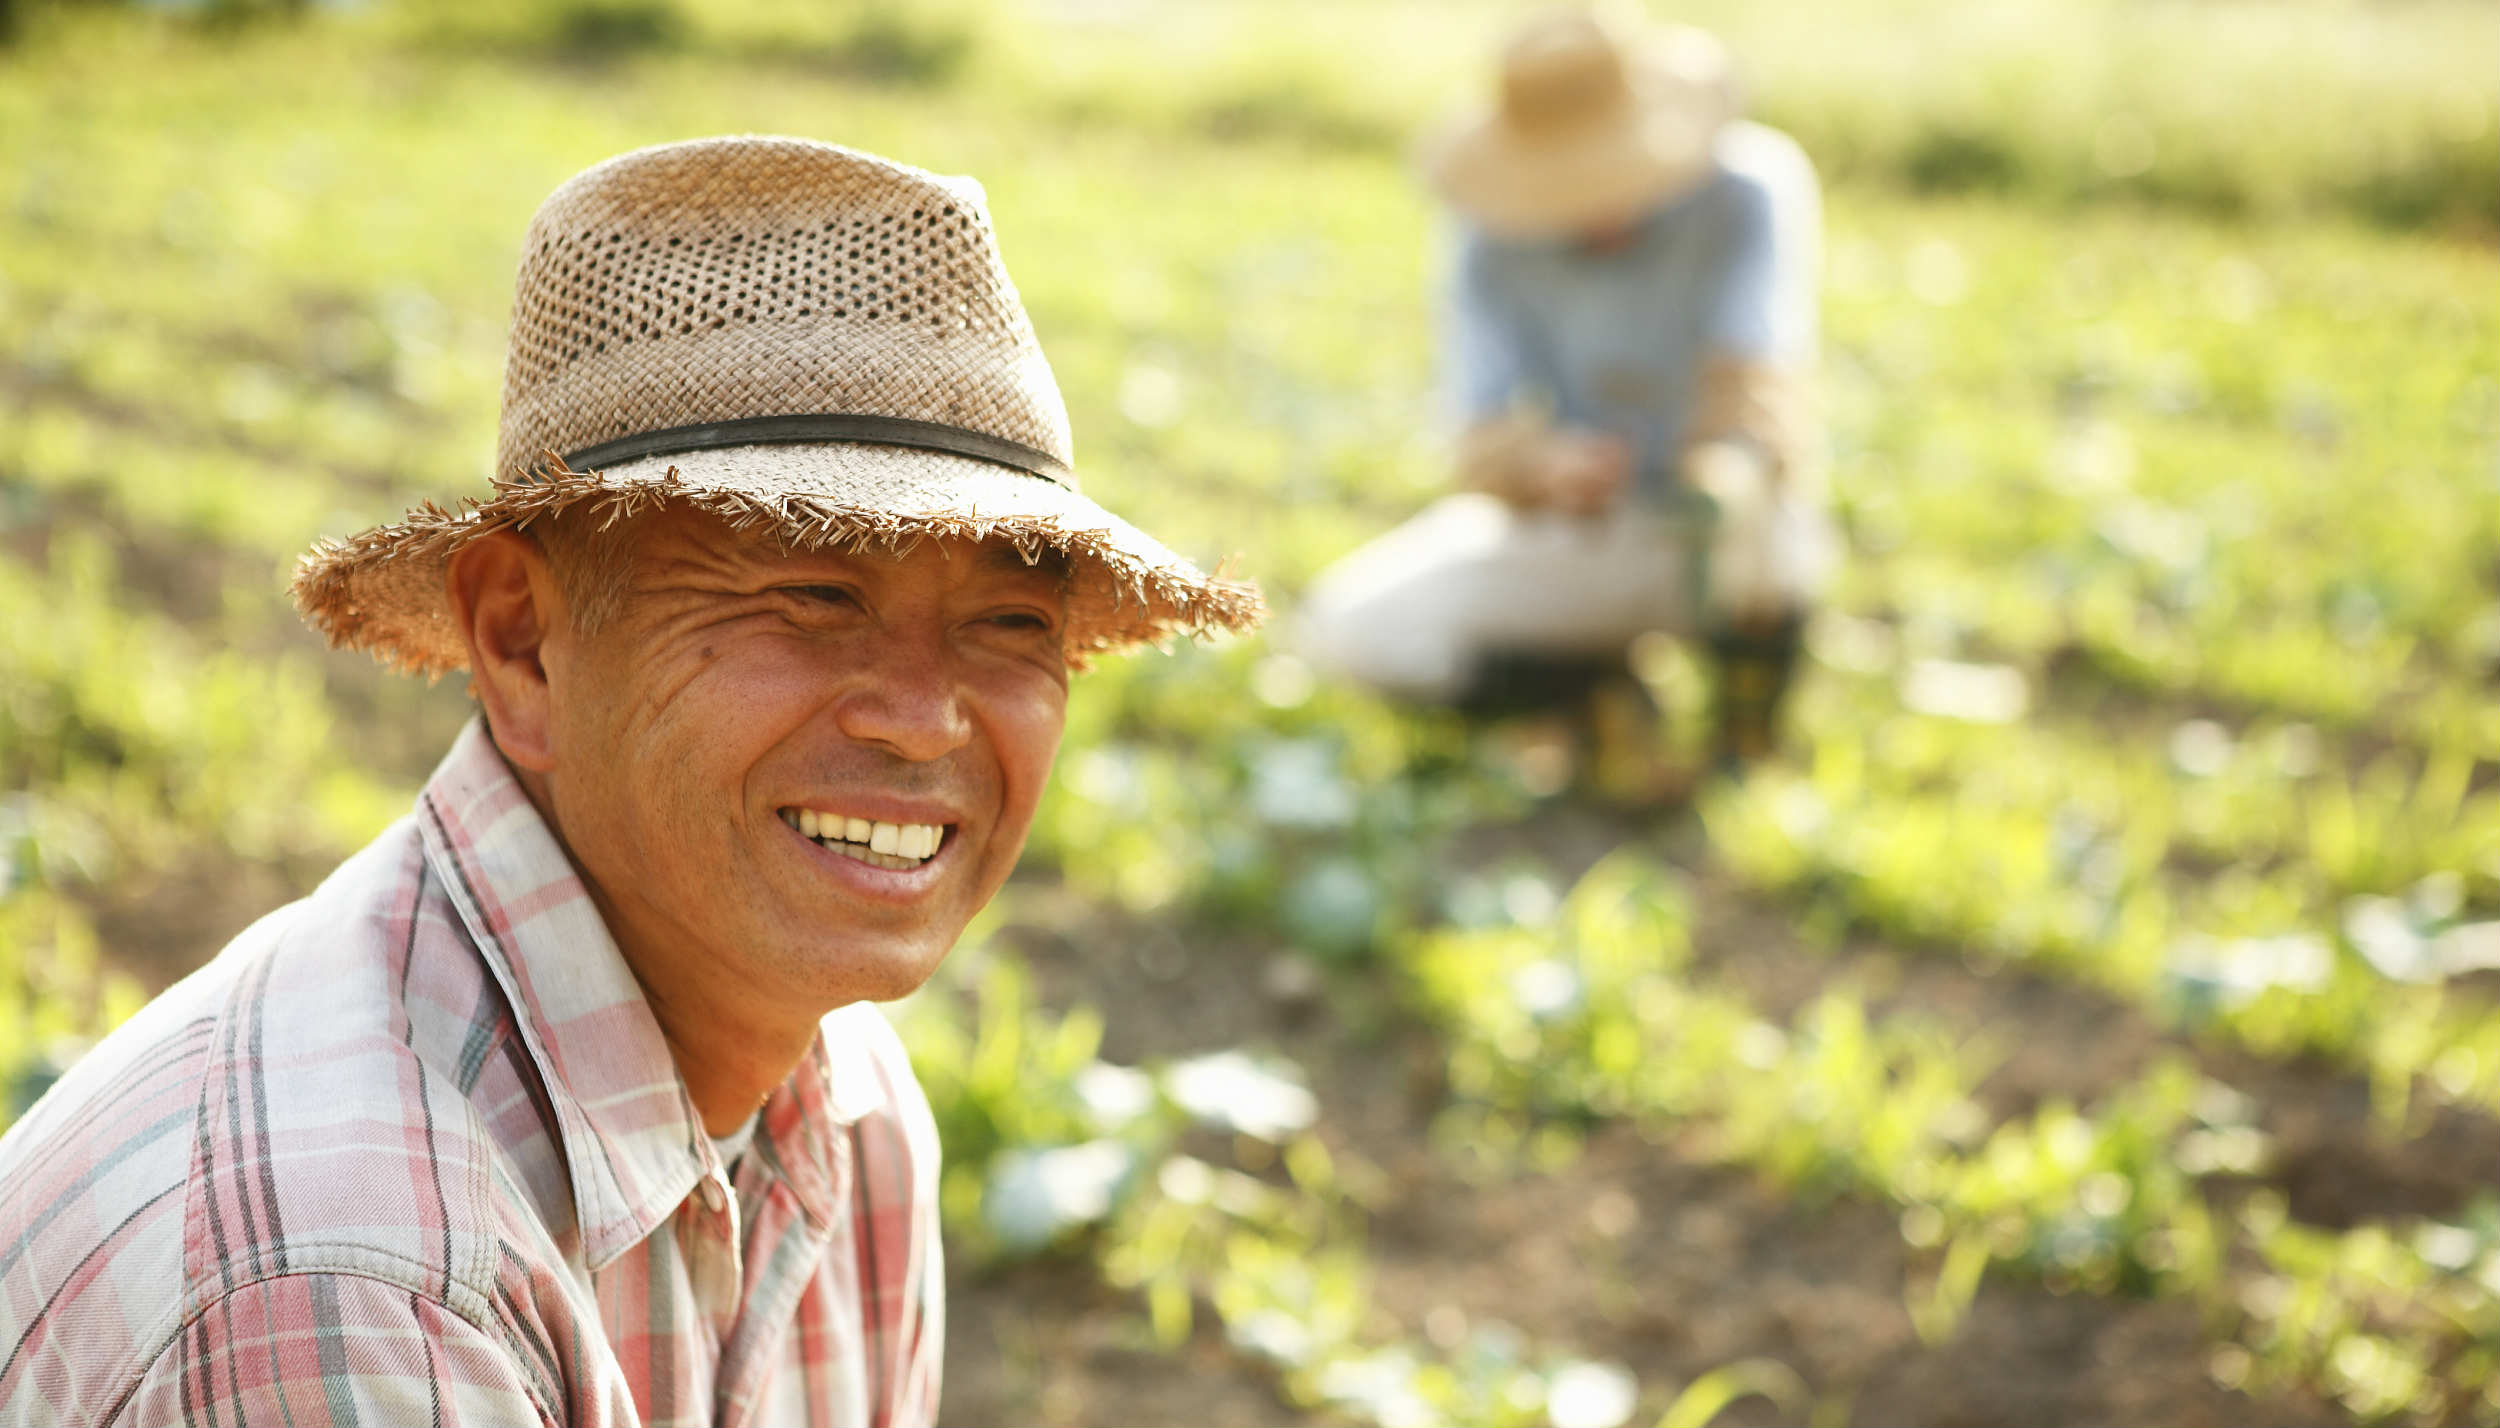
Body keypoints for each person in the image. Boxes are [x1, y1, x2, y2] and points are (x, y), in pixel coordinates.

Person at [0, 136, 1260, 1426]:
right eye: (813, 596)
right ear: (523, 646)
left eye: (1010, 627)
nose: (925, 719)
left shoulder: (851, 1106)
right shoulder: (359, 1289)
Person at [1298, 5, 1831, 777]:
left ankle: (1742, 743)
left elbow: (1755, 381)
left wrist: (1714, 477)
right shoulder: (1490, 232)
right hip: (1590, 523)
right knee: (1354, 627)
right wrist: (1542, 465)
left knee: (1768, 544)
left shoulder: (1748, 190)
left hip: (1729, 515)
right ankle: (1592, 693)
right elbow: (1480, 425)